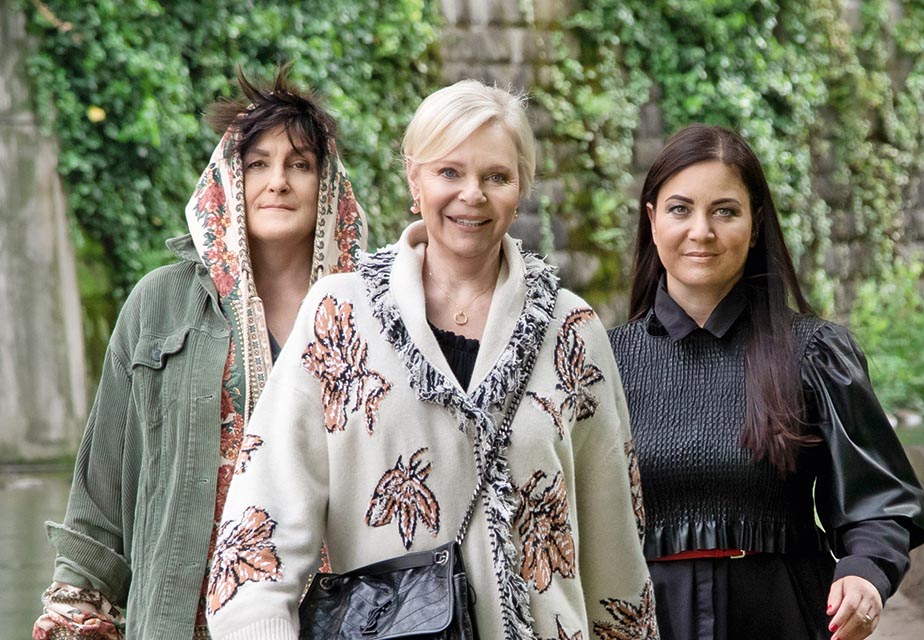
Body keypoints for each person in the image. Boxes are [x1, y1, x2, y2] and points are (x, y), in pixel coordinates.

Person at [204, 79, 659, 640]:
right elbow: (254, 545)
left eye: (496, 177)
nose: (473, 194)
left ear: (521, 189)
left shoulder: (572, 332)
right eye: (449, 172)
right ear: (414, 181)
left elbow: (617, 562)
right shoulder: (340, 316)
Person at [33, 66, 367, 640]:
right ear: (229, 178)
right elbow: (99, 496)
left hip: (334, 618)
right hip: (182, 619)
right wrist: (74, 614)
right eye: (257, 164)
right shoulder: (159, 305)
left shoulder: (369, 314)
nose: (277, 182)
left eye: (300, 164)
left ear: (328, 184)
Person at [607, 124, 924, 640]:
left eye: (725, 211)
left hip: (783, 618)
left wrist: (866, 571)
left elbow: (879, 501)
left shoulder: (815, 353)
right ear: (652, 220)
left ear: (755, 225)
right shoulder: (601, 363)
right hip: (643, 622)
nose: (701, 231)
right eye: (680, 209)